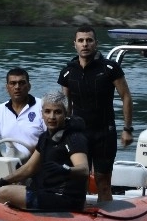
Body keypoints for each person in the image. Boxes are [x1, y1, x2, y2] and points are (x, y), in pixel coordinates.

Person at [57, 25, 133, 201]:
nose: (85, 44)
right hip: (78, 135)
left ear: (96, 44)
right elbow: (65, 105)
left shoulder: (110, 68)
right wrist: (60, 132)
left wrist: (127, 129)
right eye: (81, 41)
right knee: (78, 180)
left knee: (103, 182)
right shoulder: (68, 71)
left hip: (104, 133)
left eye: (89, 40)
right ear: (74, 44)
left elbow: (126, 97)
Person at [0, 91, 89, 211]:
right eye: (47, 111)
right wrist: (5, 179)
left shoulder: (73, 137)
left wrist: (65, 169)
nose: (52, 117)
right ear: (42, 113)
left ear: (65, 113)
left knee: (3, 193)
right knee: (7, 187)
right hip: (46, 191)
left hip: (64, 197)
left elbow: (84, 169)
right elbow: (30, 168)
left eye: (57, 112)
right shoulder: (45, 137)